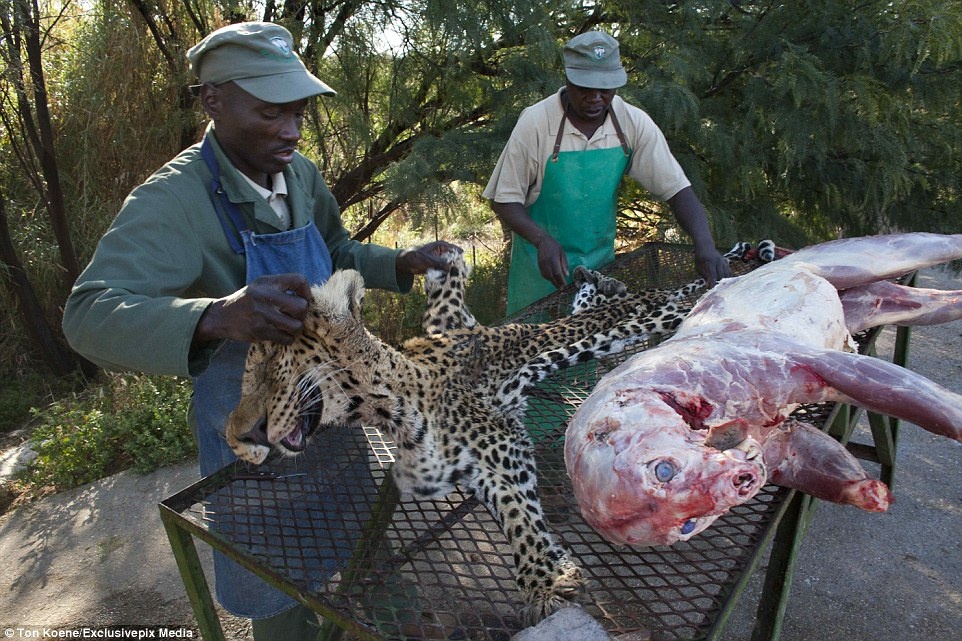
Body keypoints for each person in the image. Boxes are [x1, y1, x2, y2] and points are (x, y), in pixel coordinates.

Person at [63, 22, 457, 640]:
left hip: (336, 409)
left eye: (299, 112)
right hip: (255, 440)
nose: (292, 131)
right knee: (280, 588)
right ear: (214, 101)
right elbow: (88, 313)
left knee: (365, 554)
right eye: (272, 113)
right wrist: (216, 316)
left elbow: (335, 248)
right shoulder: (173, 201)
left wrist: (397, 263)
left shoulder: (296, 173)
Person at [484, 31, 732, 314]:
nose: (596, 98)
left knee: (590, 347)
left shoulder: (632, 122)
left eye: (606, 89)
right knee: (537, 350)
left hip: (598, 267)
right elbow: (503, 198)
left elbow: (676, 189)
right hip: (541, 269)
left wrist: (704, 244)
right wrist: (542, 240)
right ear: (568, 79)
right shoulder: (536, 123)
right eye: (585, 88)